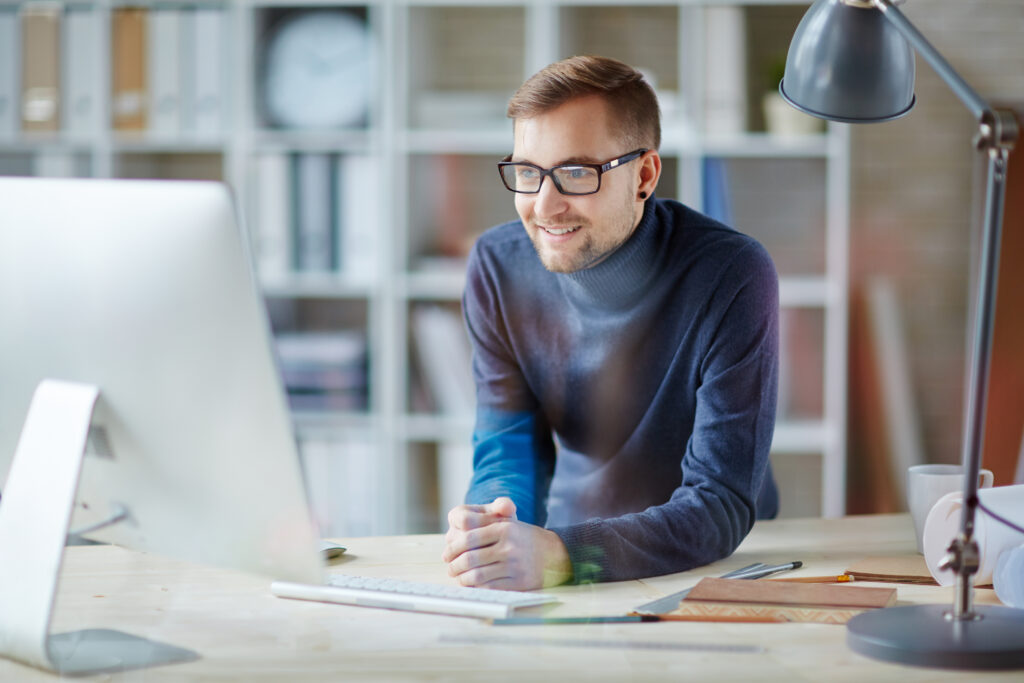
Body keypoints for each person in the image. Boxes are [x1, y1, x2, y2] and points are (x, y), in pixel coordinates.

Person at [441, 55, 780, 591]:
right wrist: (495, 523)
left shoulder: (731, 273)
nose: (544, 205)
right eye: (528, 173)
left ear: (644, 175)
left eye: (576, 172)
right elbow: (509, 443)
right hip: (570, 539)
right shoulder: (496, 265)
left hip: (715, 556)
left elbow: (719, 502)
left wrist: (564, 557)